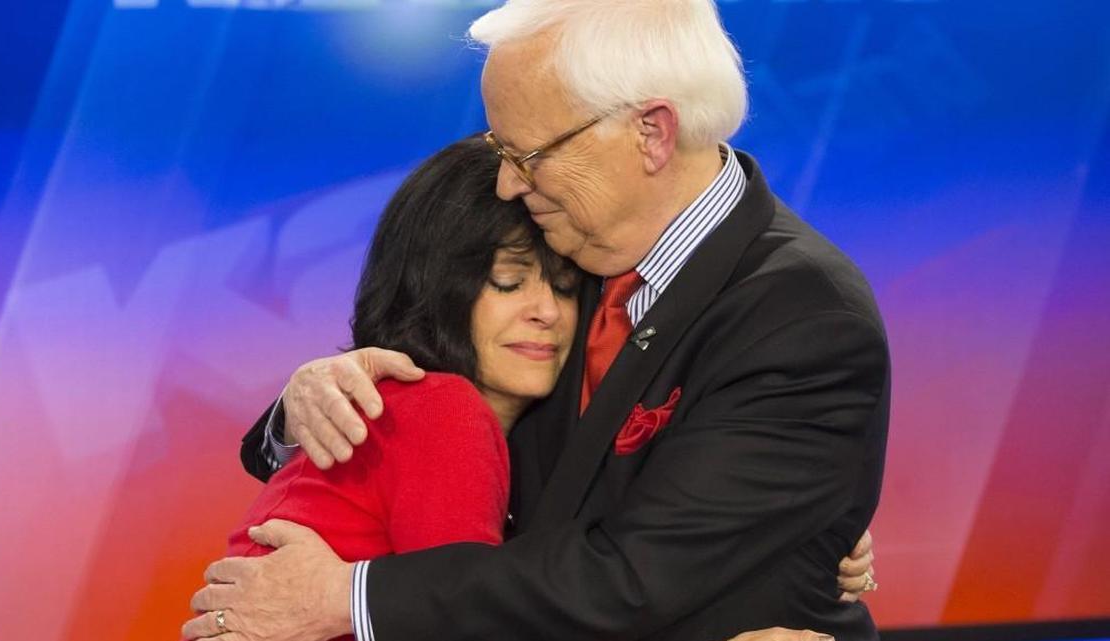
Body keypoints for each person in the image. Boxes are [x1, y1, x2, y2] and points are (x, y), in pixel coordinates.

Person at [184, 1, 889, 640]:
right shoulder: (576, 240)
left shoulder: (803, 317)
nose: (507, 183)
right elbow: (446, 363)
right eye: (500, 152)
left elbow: (635, 575)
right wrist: (317, 396)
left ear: (651, 132)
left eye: (528, 154)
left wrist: (351, 595)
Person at [217, 137, 579, 641]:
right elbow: (465, 625)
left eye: (564, 286)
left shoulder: (413, 407)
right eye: (507, 281)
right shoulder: (441, 408)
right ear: (434, 286)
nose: (548, 311)